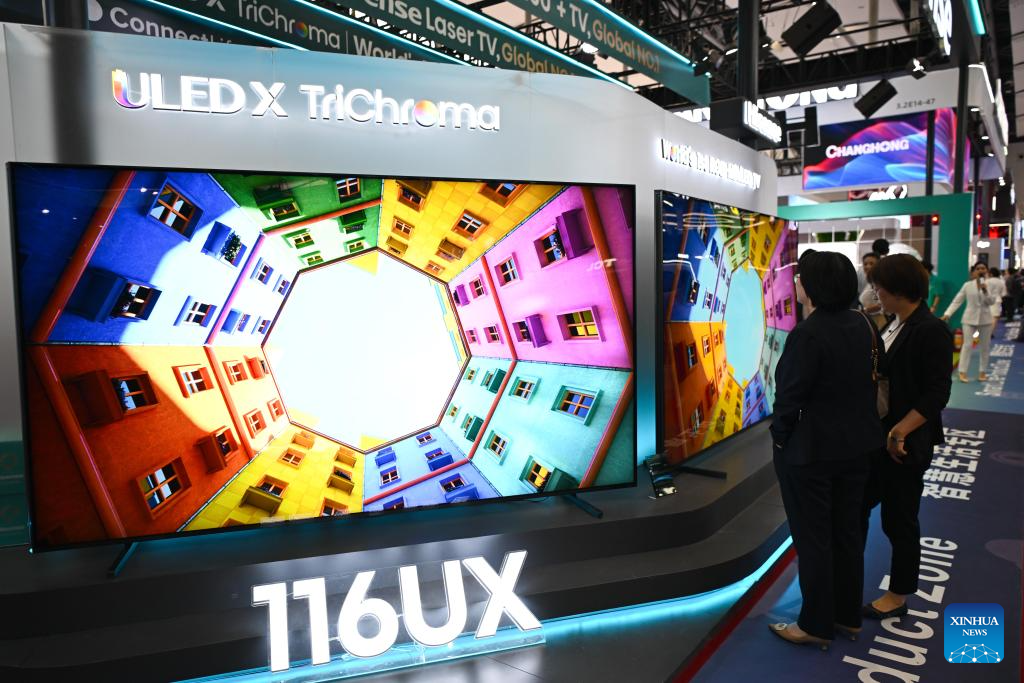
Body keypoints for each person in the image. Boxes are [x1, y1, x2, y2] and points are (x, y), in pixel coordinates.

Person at [768, 250, 883, 650]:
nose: (796, 283)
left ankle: (815, 623)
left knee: (814, 538)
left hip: (811, 453)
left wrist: (780, 438)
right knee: (848, 533)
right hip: (859, 446)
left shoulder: (808, 334)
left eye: (801, 278)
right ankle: (847, 616)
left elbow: (789, 397)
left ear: (814, 286)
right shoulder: (863, 323)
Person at [862, 255, 953, 620]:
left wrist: (901, 429)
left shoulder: (931, 330)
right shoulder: (895, 323)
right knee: (867, 508)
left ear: (899, 290)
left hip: (905, 443)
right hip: (881, 436)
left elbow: (936, 393)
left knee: (900, 519)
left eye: (880, 288)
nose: (876, 294)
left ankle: (898, 595)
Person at [942, 262, 997, 382]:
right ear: (974, 272)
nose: (980, 270)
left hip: (985, 319)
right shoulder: (967, 285)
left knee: (985, 346)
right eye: (978, 268)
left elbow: (992, 302)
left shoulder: (990, 285)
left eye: (983, 268)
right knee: (967, 345)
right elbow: (957, 300)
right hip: (969, 318)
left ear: (986, 271)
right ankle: (962, 372)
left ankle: (982, 372)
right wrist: (947, 313)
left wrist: (985, 290)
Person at [859, 253, 886, 328]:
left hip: (878, 321)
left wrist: (866, 310)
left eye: (871, 263)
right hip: (868, 321)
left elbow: (884, 303)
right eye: (865, 264)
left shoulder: (881, 282)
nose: (868, 266)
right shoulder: (870, 282)